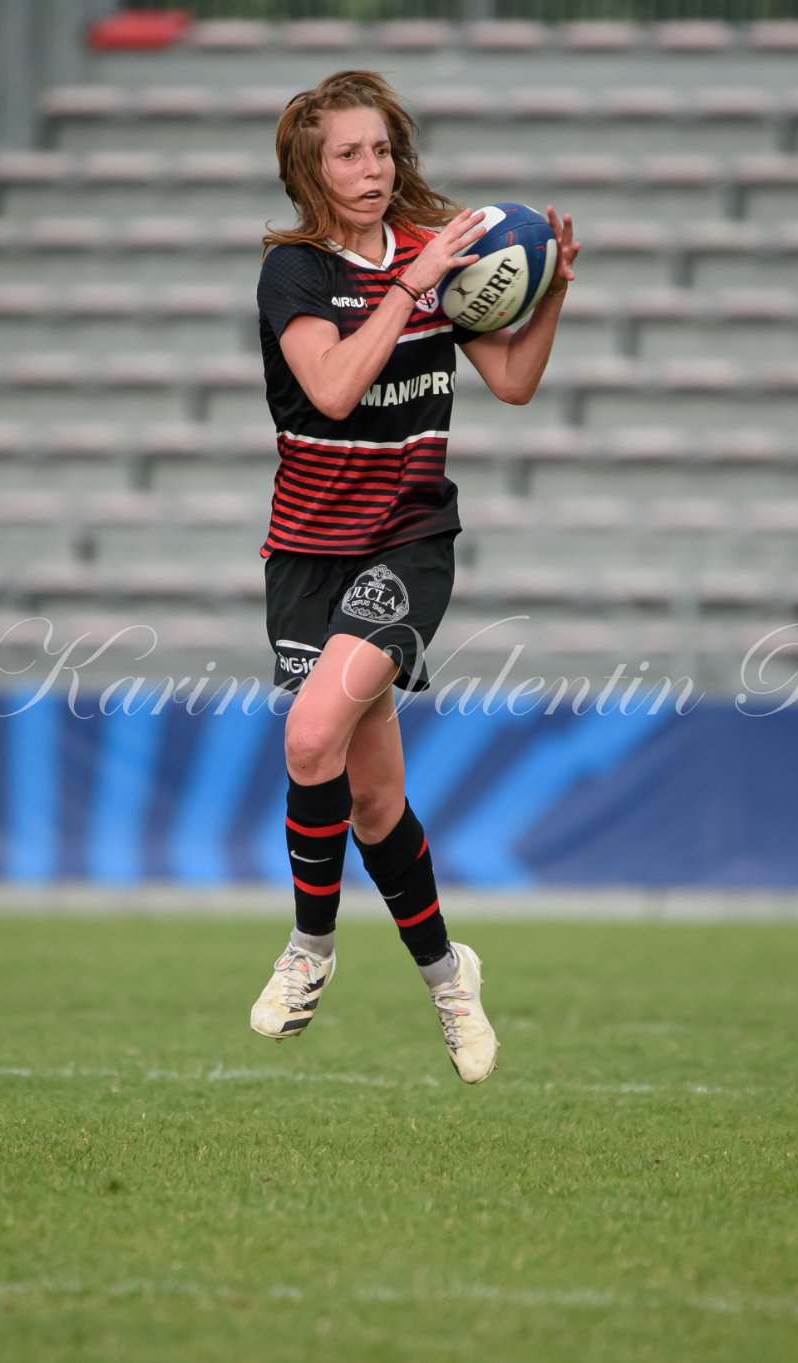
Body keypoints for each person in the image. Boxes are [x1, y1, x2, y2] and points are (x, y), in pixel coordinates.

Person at [246, 71, 579, 1084]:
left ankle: (308, 949)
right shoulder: (293, 275)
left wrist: (551, 285)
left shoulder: (440, 258)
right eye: (346, 153)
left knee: (311, 737)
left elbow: (513, 384)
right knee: (376, 802)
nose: (368, 169)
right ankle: (448, 977)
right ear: (309, 168)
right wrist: (414, 281)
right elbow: (336, 390)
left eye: (380, 150)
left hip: (405, 539)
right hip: (308, 550)